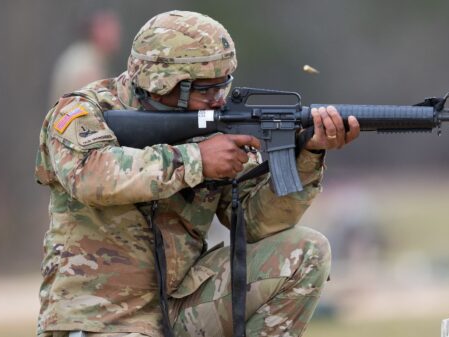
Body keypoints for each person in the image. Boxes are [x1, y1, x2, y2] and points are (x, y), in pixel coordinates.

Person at [35, 10, 360, 337]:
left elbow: (255, 222)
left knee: (306, 251)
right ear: (163, 82)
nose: (218, 100)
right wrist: (196, 161)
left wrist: (309, 155)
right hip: (95, 318)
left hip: (177, 310)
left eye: (224, 86)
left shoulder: (212, 128)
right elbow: (92, 177)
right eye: (206, 90)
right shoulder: (83, 111)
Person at [48, 10, 121, 105]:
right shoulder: (87, 67)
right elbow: (88, 108)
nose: (117, 34)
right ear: (97, 30)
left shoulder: (83, 55)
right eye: (111, 29)